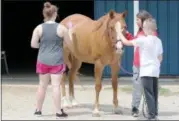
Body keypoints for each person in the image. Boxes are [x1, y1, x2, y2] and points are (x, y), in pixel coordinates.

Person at [116, 17, 163, 120]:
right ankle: (155, 114)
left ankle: (151, 115)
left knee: (148, 94)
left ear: (149, 30)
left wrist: (119, 34)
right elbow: (160, 58)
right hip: (155, 71)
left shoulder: (143, 40)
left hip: (146, 72)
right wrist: (154, 63)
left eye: (145, 28)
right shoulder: (159, 41)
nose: (143, 30)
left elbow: (126, 42)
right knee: (154, 93)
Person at [30, 2, 69, 118]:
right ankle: (58, 112)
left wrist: (43, 47)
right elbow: (68, 44)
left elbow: (33, 45)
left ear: (45, 14)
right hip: (57, 61)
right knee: (56, 86)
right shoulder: (62, 28)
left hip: (42, 61)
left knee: (42, 85)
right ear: (55, 14)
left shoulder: (38, 28)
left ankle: (38, 110)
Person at [124, 10, 158, 117]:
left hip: (146, 65)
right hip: (137, 64)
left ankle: (152, 110)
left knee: (150, 89)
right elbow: (136, 41)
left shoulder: (151, 33)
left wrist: (122, 37)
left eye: (138, 20)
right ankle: (135, 108)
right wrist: (127, 34)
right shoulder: (140, 32)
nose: (136, 22)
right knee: (137, 86)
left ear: (143, 20)